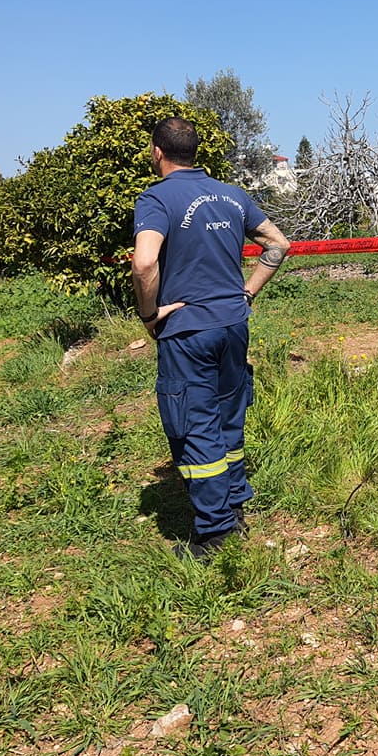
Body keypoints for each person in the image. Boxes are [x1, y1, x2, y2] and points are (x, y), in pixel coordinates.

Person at [132, 117, 291, 560]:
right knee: (228, 416)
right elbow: (277, 244)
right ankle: (234, 501)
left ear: (157, 152)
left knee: (195, 424)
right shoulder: (231, 195)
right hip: (233, 324)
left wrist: (149, 315)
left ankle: (216, 532)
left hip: (188, 330)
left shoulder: (156, 198)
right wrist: (246, 292)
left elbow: (145, 264)